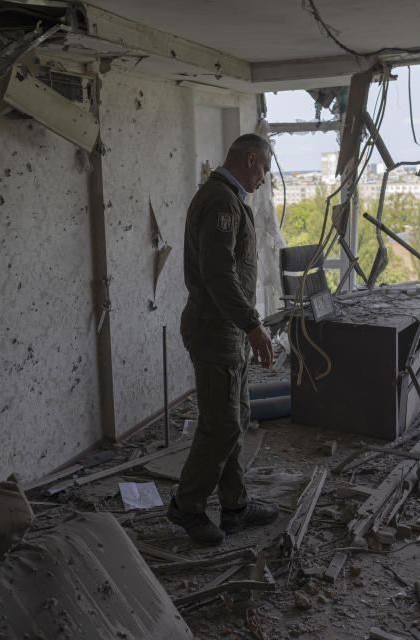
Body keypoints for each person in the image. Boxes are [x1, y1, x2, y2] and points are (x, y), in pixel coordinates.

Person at [167, 134, 278, 545]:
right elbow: (218, 275)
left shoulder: (229, 200)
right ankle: (187, 506)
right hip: (216, 330)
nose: (264, 178)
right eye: (264, 169)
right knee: (221, 424)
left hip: (226, 330)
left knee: (235, 417)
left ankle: (235, 506)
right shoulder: (220, 203)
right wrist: (252, 323)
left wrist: (246, 326)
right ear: (250, 159)